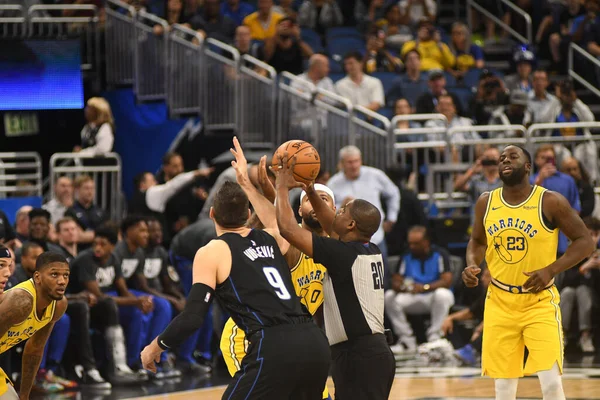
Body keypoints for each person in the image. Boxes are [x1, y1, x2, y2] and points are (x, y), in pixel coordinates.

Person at [140, 141, 331, 399]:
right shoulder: (272, 239)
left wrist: (155, 346)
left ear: (211, 213)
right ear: (247, 213)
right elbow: (278, 221)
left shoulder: (212, 251)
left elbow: (193, 316)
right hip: (313, 341)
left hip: (273, 344)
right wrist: (246, 184)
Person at [463, 145, 594, 400]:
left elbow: (585, 242)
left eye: (513, 156)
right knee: (503, 388)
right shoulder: (486, 202)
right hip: (500, 302)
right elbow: (477, 242)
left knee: (552, 384)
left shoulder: (549, 201)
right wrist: (472, 263)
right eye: (501, 158)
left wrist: (551, 269)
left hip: (539, 302)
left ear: (527, 166)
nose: (505, 160)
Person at [273, 152, 395, 399]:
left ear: (351, 226)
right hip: (366, 354)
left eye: (342, 212)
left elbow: (287, 228)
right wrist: (309, 187)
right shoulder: (368, 248)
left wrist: (281, 188)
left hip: (360, 356)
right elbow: (330, 224)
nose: (335, 211)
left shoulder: (342, 254)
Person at [219, 145, 334, 400]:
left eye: (324, 200)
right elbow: (281, 224)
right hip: (248, 337)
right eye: (307, 200)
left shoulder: (336, 250)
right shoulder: (294, 245)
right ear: (299, 212)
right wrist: (256, 186)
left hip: (294, 340)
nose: (315, 203)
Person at [0, 249, 69, 400]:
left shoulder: (58, 305)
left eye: (66, 275)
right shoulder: (21, 301)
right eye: (54, 274)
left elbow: (34, 349)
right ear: (37, 277)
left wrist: (24, 395)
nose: (62, 281)